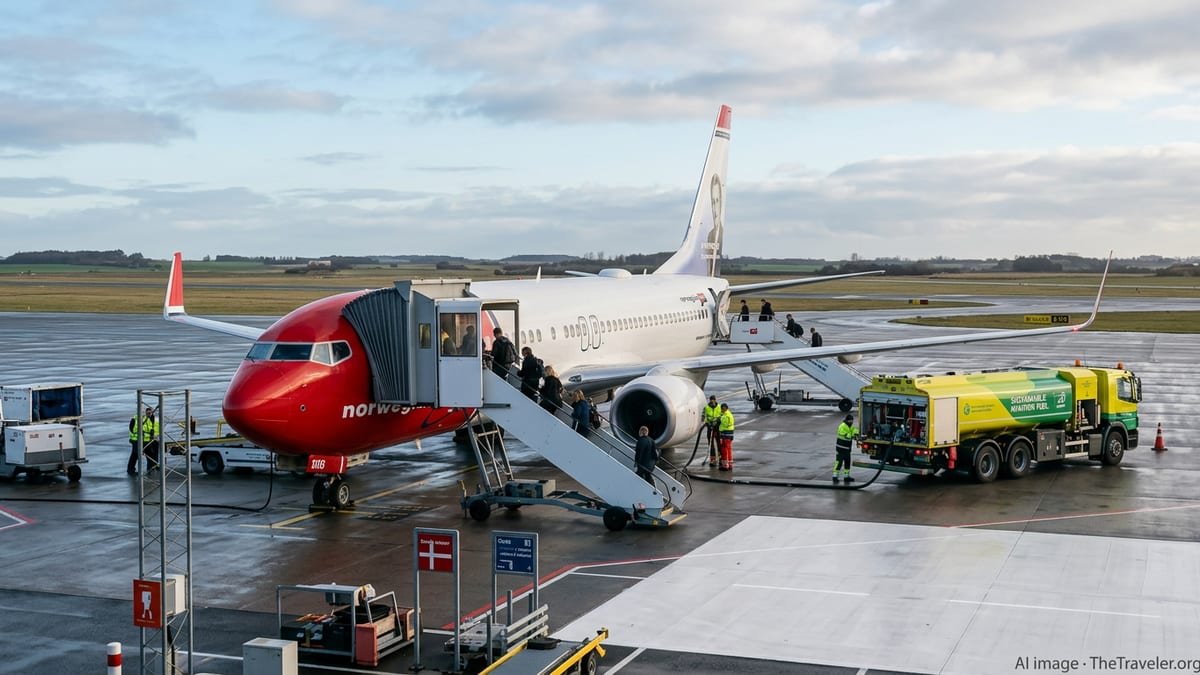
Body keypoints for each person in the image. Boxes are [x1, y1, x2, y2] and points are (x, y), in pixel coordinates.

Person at [127, 405, 160, 475]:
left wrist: (154, 437)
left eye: (150, 411)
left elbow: (157, 430)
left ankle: (152, 467)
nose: (149, 413)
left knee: (152, 453)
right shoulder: (136, 419)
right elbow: (132, 429)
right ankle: (130, 470)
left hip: (149, 440)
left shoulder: (154, 420)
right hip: (137, 440)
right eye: (147, 411)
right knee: (135, 455)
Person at [834, 413, 858, 484]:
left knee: (847, 462)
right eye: (850, 420)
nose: (851, 422)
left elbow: (854, 431)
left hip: (847, 449)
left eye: (852, 420)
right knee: (839, 462)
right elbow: (844, 434)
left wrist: (857, 434)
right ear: (847, 420)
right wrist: (851, 436)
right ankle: (835, 476)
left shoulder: (850, 426)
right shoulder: (842, 426)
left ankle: (846, 477)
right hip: (841, 448)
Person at [702, 395, 722, 467]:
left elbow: (722, 416)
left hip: (717, 427)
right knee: (711, 444)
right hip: (710, 428)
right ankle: (712, 459)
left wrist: (717, 421)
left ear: (715, 400)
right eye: (711, 400)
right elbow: (703, 416)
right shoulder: (706, 408)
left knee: (719, 443)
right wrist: (707, 423)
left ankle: (720, 458)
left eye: (713, 400)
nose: (712, 401)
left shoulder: (719, 407)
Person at [717, 403, 735, 471]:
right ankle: (730, 464)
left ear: (724, 408)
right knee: (729, 449)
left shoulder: (726, 416)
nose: (721, 410)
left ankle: (725, 466)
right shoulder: (728, 414)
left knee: (724, 449)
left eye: (721, 409)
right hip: (729, 435)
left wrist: (719, 419)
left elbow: (725, 423)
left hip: (725, 435)